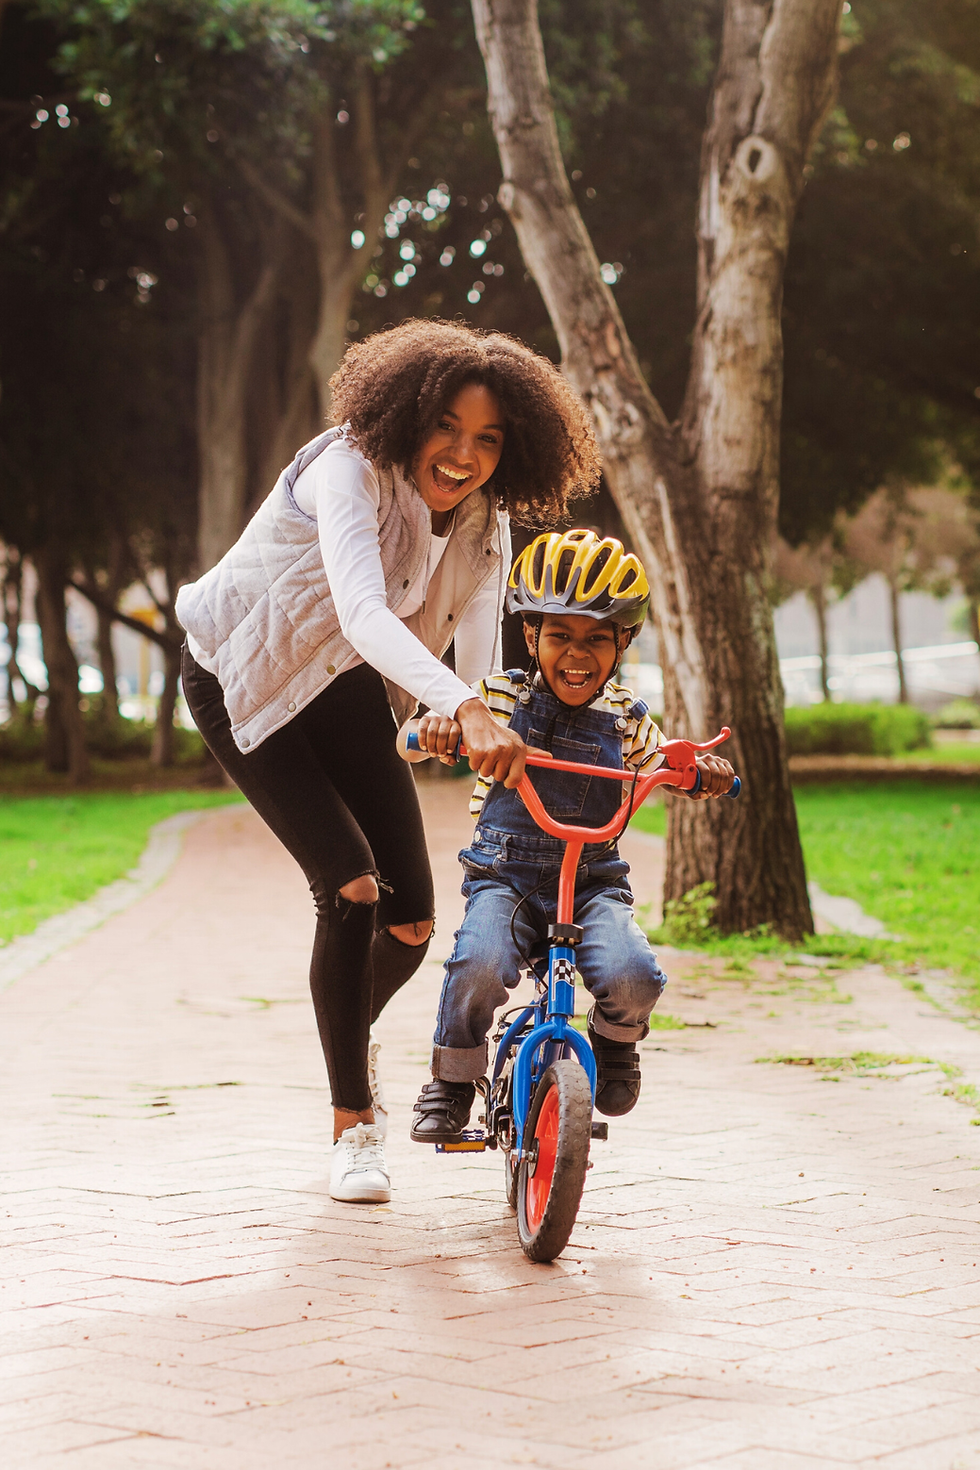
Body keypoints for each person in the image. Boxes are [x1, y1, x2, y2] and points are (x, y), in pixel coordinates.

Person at [175, 321, 600, 1203]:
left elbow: (480, 648)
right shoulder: (347, 469)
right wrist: (462, 706)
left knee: (410, 923)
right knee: (352, 887)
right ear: (407, 414)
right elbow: (364, 613)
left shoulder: (486, 519)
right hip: (240, 676)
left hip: (340, 690)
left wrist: (476, 709)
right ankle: (353, 1125)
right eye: (446, 426)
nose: (462, 454)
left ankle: (343, 1032)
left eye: (488, 439)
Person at [400, 530, 735, 1142]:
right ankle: (451, 1081)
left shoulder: (628, 716)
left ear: (623, 642)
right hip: (508, 877)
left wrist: (699, 773)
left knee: (635, 973)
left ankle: (615, 1042)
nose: (576, 655)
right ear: (532, 637)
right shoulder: (498, 698)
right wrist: (437, 732)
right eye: (559, 635)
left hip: (592, 881)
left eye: (597, 638)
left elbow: (665, 759)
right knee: (478, 963)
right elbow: (411, 741)